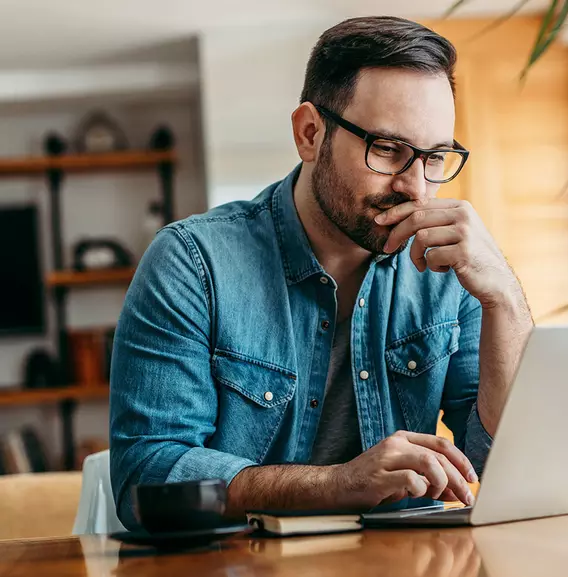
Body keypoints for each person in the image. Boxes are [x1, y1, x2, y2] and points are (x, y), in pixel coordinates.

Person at [110, 16, 532, 530]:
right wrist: (339, 484)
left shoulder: (451, 270)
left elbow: (510, 464)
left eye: (435, 157)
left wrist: (504, 299)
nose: (417, 187)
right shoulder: (193, 263)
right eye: (387, 149)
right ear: (310, 133)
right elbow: (145, 480)